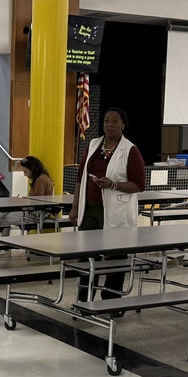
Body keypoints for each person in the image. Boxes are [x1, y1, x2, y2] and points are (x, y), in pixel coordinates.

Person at [69, 107, 146, 301]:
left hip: (116, 212)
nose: (109, 125)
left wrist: (113, 184)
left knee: (116, 257)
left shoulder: (130, 150)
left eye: (114, 121)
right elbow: (80, 179)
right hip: (90, 211)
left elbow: (139, 185)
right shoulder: (94, 145)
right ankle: (84, 299)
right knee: (86, 257)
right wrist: (75, 207)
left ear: (123, 125)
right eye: (106, 121)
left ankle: (111, 301)